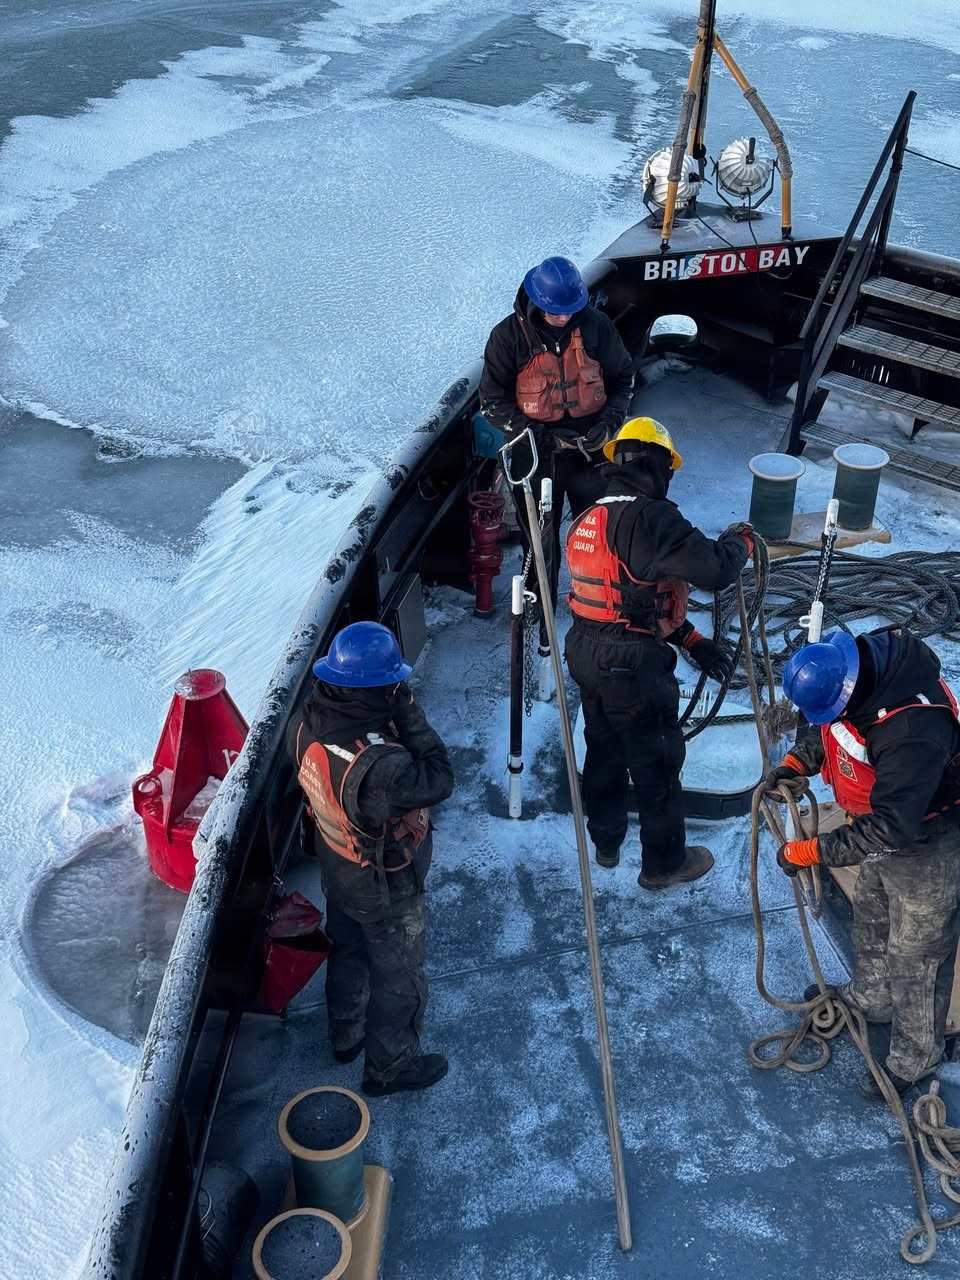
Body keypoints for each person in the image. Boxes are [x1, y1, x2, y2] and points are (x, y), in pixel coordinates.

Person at [770, 625, 960, 1100]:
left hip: (927, 840)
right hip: (879, 823)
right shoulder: (858, 670)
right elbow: (832, 727)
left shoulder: (912, 730)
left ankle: (916, 1058)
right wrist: (799, 761)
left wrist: (812, 851)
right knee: (872, 918)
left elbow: (893, 827)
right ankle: (873, 998)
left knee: (918, 958)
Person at [563, 417, 753, 887]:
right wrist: (740, 541)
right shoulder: (651, 517)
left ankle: (606, 842)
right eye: (668, 468)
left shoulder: (588, 518)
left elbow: (624, 601)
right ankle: (664, 864)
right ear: (655, 464)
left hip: (586, 652)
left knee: (604, 749)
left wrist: (691, 640)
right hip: (632, 668)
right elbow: (716, 569)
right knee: (658, 763)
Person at [287, 620, 455, 1097]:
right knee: (399, 976)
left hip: (338, 867)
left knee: (348, 950)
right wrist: (408, 709)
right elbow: (440, 777)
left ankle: (346, 1035)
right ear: (381, 687)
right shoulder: (383, 767)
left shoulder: (304, 722)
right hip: (385, 886)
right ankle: (391, 1068)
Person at [479, 255, 634, 614]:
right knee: (539, 541)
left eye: (569, 311)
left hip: (589, 450)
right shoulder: (506, 337)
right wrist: (531, 432)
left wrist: (609, 422)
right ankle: (539, 606)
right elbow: (491, 400)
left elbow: (622, 378)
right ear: (536, 303)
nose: (563, 318)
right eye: (555, 312)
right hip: (534, 453)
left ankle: (598, 603)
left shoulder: (597, 327)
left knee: (596, 532)